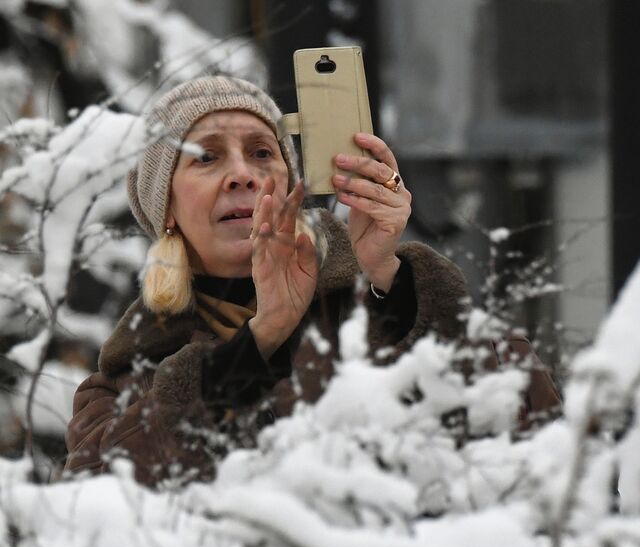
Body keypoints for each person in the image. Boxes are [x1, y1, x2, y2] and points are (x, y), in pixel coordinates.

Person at [64, 75, 559, 487]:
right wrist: (261, 337)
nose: (242, 174)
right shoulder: (119, 390)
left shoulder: (387, 306)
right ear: (165, 209)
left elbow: (527, 430)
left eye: (262, 153)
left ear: (292, 188)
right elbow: (100, 519)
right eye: (206, 157)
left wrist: (387, 277)